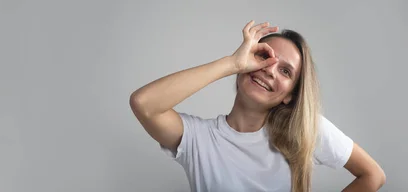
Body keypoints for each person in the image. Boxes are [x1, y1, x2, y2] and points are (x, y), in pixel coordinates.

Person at [129, 20, 386, 192]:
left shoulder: (305, 129)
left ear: (289, 95)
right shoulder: (199, 139)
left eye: (286, 71)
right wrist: (232, 63)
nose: (271, 71)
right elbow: (144, 104)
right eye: (263, 56)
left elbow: (373, 175)